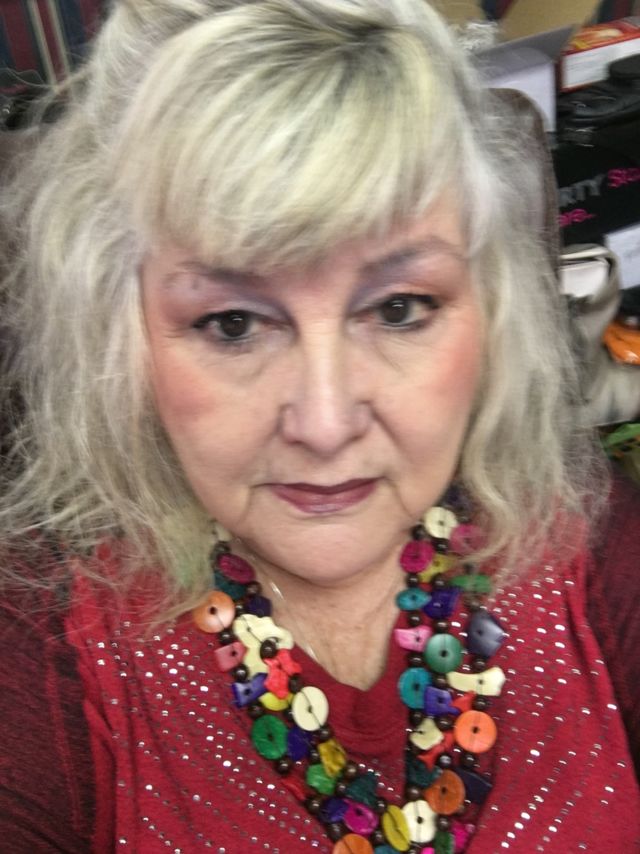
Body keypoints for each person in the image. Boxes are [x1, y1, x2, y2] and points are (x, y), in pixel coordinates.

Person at [0, 1, 639, 852]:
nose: (326, 425)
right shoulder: (43, 643)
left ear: (491, 311)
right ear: (120, 335)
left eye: (400, 308)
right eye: (232, 323)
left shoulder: (582, 533)